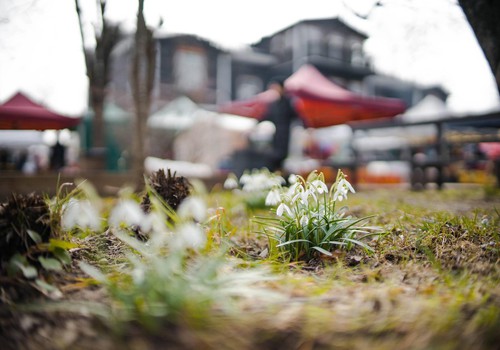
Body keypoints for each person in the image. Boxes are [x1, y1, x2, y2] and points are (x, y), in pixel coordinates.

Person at [227, 77, 300, 176]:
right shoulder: (273, 105)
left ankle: (281, 174)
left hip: (285, 136)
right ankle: (275, 174)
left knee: (282, 156)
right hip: (275, 136)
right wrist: (254, 125)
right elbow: (265, 117)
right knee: (274, 156)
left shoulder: (288, 103)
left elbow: (297, 117)